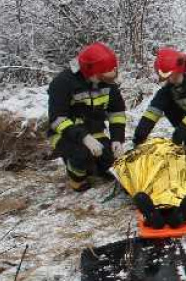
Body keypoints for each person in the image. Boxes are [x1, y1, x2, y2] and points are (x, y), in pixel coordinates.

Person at [47, 42, 128, 192]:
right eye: (103, 75)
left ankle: (92, 166)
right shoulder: (62, 83)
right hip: (64, 134)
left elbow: (117, 113)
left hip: (94, 131)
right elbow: (57, 120)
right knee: (82, 154)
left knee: (110, 165)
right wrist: (84, 138)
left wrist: (117, 139)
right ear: (90, 71)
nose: (107, 79)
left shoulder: (107, 83)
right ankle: (76, 177)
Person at [112, 138, 186, 229]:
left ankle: (153, 213)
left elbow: (124, 165)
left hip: (149, 163)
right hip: (173, 161)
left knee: (145, 180)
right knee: (178, 181)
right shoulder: (175, 147)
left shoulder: (141, 150)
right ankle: (177, 212)